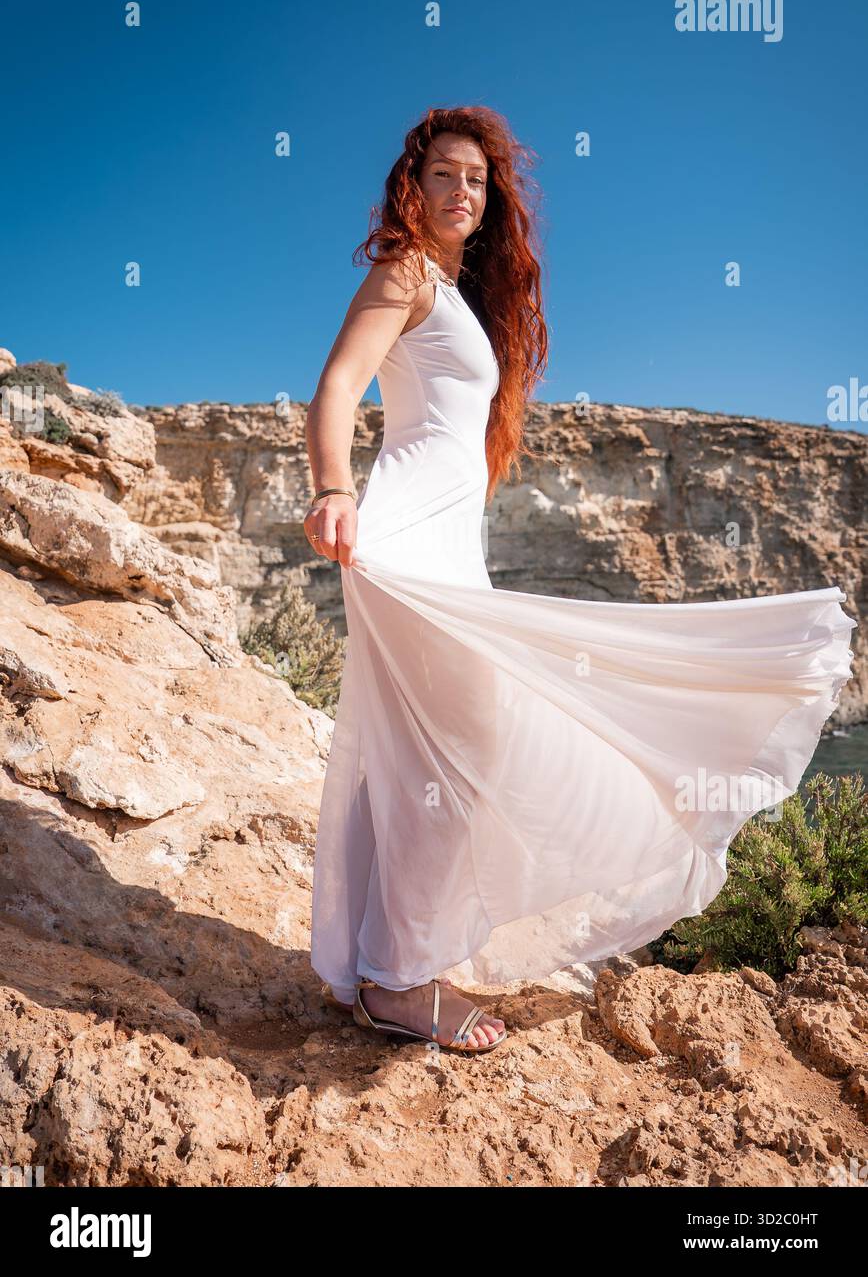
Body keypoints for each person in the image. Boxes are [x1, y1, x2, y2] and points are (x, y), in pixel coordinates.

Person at [303, 105, 856, 1056]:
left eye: (477, 178)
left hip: (445, 551)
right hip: (398, 544)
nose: (462, 190)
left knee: (433, 759)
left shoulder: (455, 292)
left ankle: (384, 963)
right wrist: (332, 488)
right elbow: (336, 387)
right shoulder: (402, 273)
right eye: (444, 173)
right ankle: (398, 980)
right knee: (457, 754)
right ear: (412, 183)